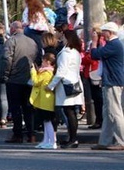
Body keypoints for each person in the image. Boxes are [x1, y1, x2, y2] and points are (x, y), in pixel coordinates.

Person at [0, 21, 38, 143]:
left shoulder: (11, 41)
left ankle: (18, 134)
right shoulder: (32, 42)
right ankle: (31, 134)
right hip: (29, 78)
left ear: (14, 29)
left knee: (15, 108)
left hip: (14, 79)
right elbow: (36, 57)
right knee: (28, 107)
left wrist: (5, 74)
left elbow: (6, 59)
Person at [89, 22, 124, 150]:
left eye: (103, 31)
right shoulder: (113, 44)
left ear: (109, 32)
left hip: (113, 81)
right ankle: (105, 140)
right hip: (111, 80)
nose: (101, 34)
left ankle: (121, 141)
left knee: (115, 112)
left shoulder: (114, 45)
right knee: (108, 113)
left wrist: (94, 42)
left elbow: (95, 54)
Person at [48, 30, 84, 149]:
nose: (61, 39)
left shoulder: (66, 53)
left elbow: (61, 71)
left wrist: (51, 85)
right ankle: (72, 138)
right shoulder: (75, 52)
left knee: (69, 112)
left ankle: (73, 139)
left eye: (63, 37)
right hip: (74, 83)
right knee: (71, 112)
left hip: (66, 85)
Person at [30, 53, 57, 149]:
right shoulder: (48, 72)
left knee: (48, 121)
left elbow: (36, 81)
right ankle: (46, 140)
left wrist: (33, 70)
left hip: (46, 100)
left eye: (43, 61)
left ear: (48, 62)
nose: (42, 63)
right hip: (44, 100)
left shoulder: (46, 73)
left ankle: (52, 141)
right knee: (45, 121)